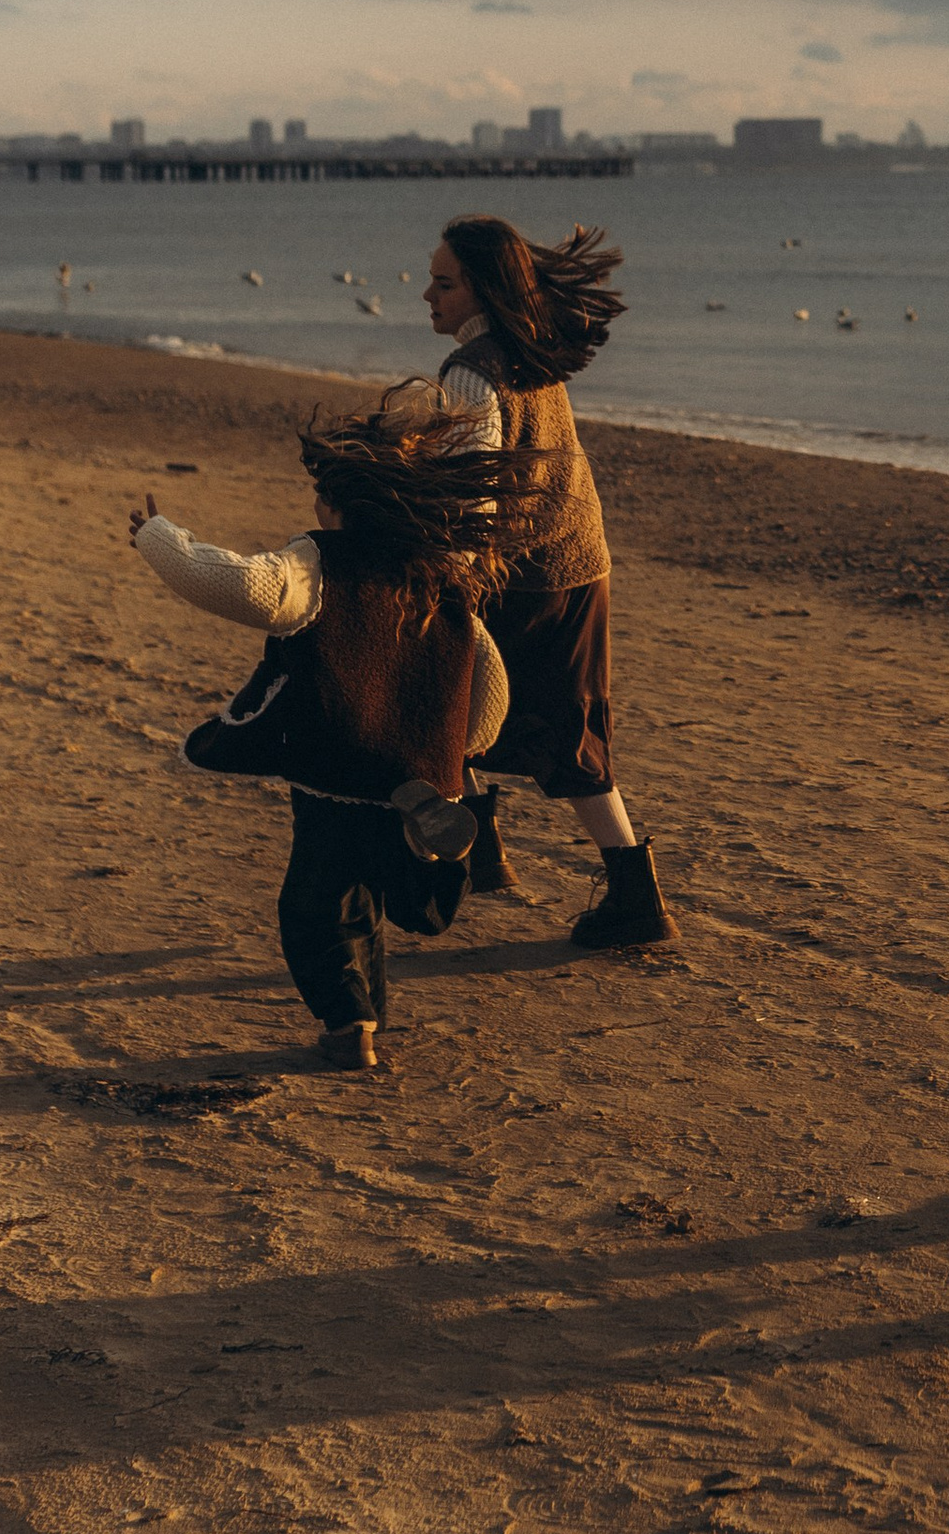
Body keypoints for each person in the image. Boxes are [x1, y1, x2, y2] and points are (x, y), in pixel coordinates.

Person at [129, 396, 514, 1075]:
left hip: (336, 773)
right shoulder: (440, 571)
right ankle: (432, 863)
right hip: (420, 774)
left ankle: (350, 1023)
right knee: (394, 899)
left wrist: (156, 534)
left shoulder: (317, 564)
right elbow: (487, 677)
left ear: (335, 504)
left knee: (319, 907)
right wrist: (460, 751)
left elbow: (230, 581)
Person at [423, 211, 678, 951]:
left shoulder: (471, 371)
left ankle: (636, 897)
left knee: (510, 722)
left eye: (444, 283)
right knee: (487, 710)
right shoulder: (531, 353)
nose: (427, 296)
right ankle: (487, 854)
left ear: (482, 289)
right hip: (580, 560)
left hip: (526, 576)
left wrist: (454, 577)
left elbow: (476, 484)